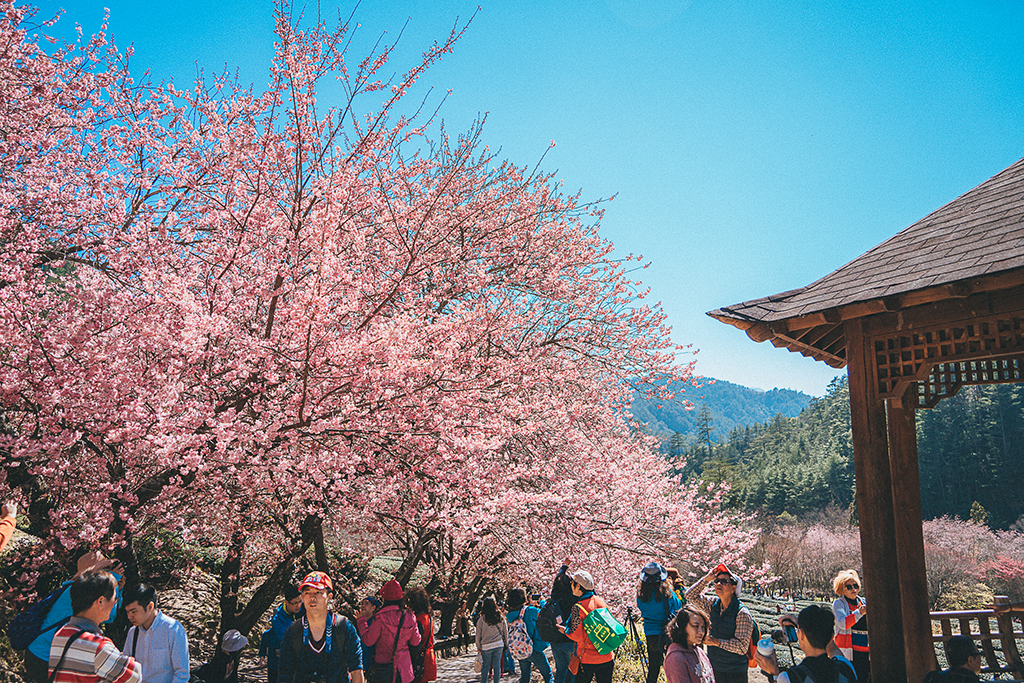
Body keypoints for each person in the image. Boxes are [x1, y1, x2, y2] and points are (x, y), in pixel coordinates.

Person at [25, 552, 126, 683]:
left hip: (43, 652)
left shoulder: (74, 589)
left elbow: (108, 616)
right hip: (45, 655)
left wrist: (118, 589)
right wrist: (114, 583)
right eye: (105, 571)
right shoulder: (77, 591)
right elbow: (109, 616)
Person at [48, 570, 141, 683]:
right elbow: (134, 677)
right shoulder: (98, 646)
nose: (114, 604)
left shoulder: (60, 634)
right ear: (100, 601)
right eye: (115, 599)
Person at [278, 571, 364, 683]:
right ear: (302, 597)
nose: (312, 597)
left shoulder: (343, 627)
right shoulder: (294, 631)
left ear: (329, 597)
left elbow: (356, 669)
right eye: (307, 592)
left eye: (318, 592)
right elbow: (285, 674)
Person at [684, 564, 753, 683]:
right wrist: (706, 579)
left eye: (723, 581)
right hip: (714, 666)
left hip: (735, 672)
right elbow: (689, 595)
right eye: (717, 581)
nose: (718, 584)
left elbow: (742, 647)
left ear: (733, 588)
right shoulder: (713, 605)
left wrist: (715, 642)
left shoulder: (742, 613)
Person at [753, 605, 857, 683]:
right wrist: (806, 626)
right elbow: (832, 646)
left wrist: (774, 674)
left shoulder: (790, 677)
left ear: (801, 634)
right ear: (832, 636)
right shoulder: (846, 667)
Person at [123, 583, 190, 683]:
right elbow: (127, 667)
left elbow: (182, 674)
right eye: (128, 612)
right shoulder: (133, 632)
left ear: (150, 606)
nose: (130, 617)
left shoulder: (173, 629)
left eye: (134, 612)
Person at [557, 570, 614, 683]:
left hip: (588, 659)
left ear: (578, 585)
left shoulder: (578, 608)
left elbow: (576, 635)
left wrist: (566, 631)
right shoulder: (600, 601)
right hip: (607, 655)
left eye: (572, 582)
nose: (570, 585)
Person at [364, 580, 420, 683]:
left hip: (383, 670)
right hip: (404, 671)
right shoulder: (409, 616)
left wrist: (361, 622)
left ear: (384, 598)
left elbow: (369, 641)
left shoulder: (379, 617)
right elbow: (416, 641)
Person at [636, 562, 684, 683]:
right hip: (666, 632)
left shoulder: (641, 595)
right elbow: (678, 606)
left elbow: (641, 609)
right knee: (672, 665)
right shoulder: (668, 593)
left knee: (653, 667)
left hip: (650, 633)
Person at [259, 584, 305, 683]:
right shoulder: (278, 620)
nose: (299, 605)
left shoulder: (303, 608)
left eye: (300, 601)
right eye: (295, 603)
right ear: (286, 603)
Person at [506, 588, 552, 683]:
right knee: (548, 675)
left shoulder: (510, 615)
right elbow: (546, 613)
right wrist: (542, 601)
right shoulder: (530, 611)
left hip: (520, 648)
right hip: (534, 648)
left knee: (525, 676)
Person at [831, 570, 869, 683]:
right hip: (849, 653)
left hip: (866, 652)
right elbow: (842, 623)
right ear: (842, 589)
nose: (853, 589)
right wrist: (859, 613)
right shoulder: (839, 604)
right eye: (848, 587)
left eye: (855, 585)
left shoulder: (864, 602)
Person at [663, 605, 714, 683]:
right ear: (682, 626)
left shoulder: (699, 651)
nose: (701, 631)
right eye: (695, 626)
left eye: (703, 627)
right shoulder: (675, 658)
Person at [546, 566, 578, 683]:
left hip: (555, 641)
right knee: (573, 670)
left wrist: (563, 568)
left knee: (560, 670)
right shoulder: (573, 598)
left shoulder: (553, 599)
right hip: (570, 639)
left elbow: (556, 582)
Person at [406, 586, 437, 683]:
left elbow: (416, 642)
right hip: (428, 657)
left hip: (419, 659)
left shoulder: (418, 620)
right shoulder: (428, 617)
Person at [475, 597, 508, 683]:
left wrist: (478, 646)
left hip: (486, 645)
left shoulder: (482, 619)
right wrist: (506, 643)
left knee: (486, 666)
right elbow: (505, 631)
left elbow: (478, 634)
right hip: (499, 644)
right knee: (497, 665)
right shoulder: (500, 617)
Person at [355, 596, 382, 664]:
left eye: (366, 603)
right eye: (362, 604)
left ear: (373, 608)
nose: (363, 606)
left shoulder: (375, 623)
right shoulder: (359, 621)